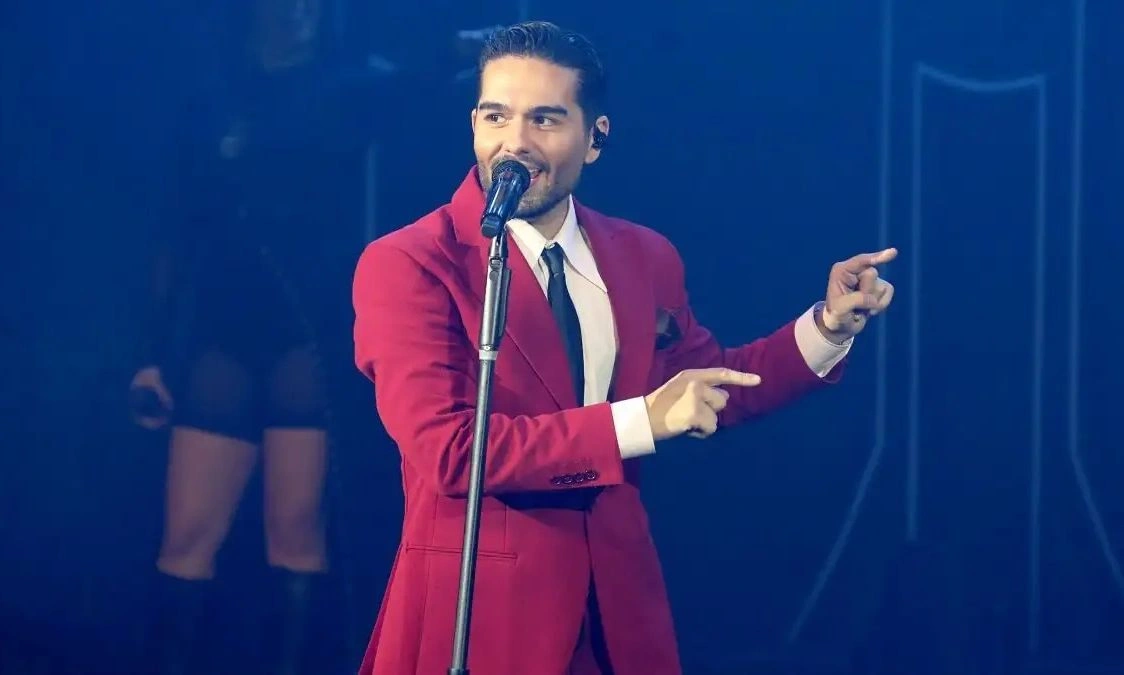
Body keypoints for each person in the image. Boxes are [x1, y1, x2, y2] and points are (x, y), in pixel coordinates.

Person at [350, 20, 896, 675]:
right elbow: (451, 452)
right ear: (473, 125)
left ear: (595, 138)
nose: (514, 143)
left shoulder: (642, 257)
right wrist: (639, 422)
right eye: (496, 117)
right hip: (483, 614)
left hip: (616, 612)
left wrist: (828, 327)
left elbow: (704, 386)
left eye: (545, 119)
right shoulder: (412, 263)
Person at [127, 2, 350, 672]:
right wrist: (151, 356)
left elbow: (412, 80)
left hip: (305, 333)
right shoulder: (212, 97)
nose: (303, 12)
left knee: (297, 533)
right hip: (224, 329)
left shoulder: (343, 89)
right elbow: (173, 230)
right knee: (188, 535)